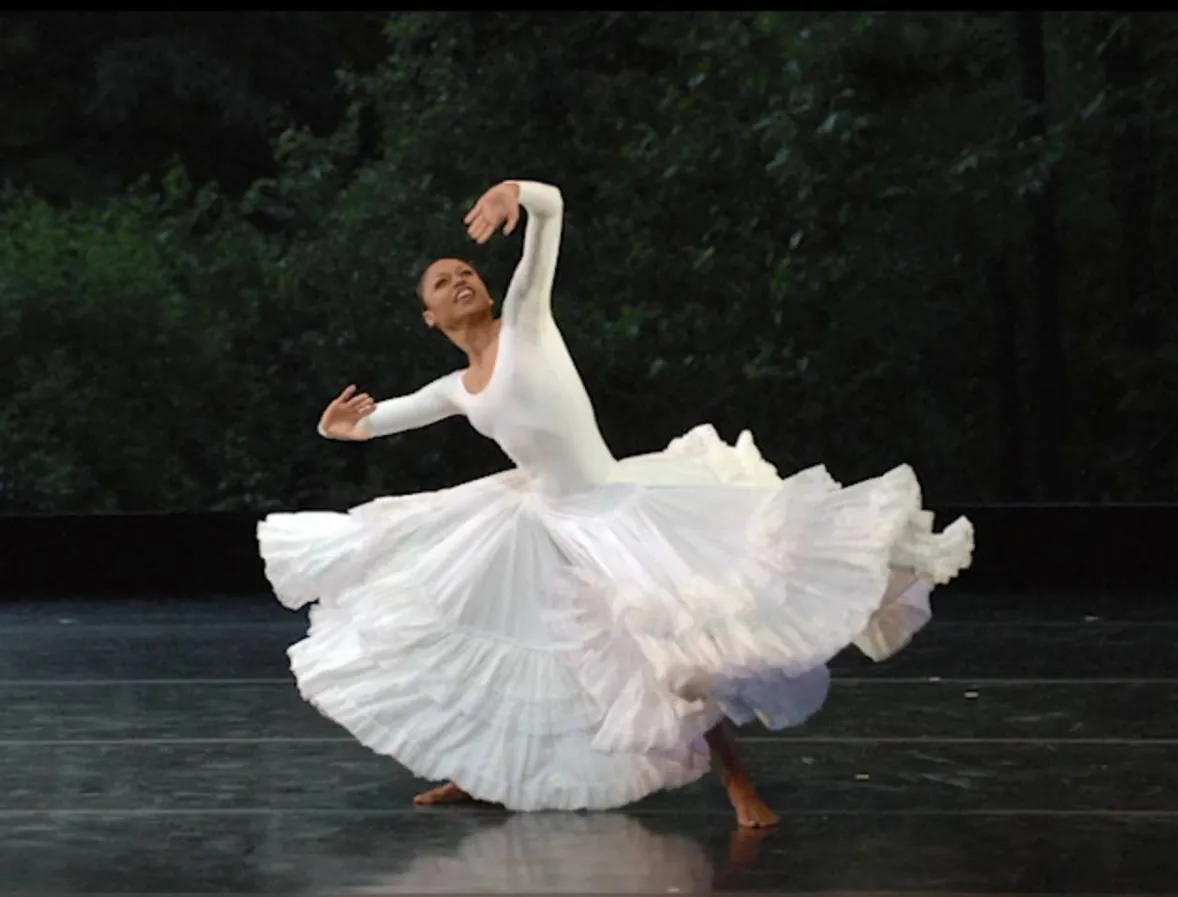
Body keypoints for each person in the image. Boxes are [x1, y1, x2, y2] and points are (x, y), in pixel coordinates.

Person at [258, 179, 973, 828]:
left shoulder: (525, 322)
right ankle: (478, 770)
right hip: (541, 517)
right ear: (431, 316)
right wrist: (341, 427)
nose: (461, 279)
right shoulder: (454, 388)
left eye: (466, 269)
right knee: (499, 630)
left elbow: (553, 213)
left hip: (615, 511)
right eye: (445, 282)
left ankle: (738, 784)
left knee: (679, 647)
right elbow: (383, 418)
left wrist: (521, 194)